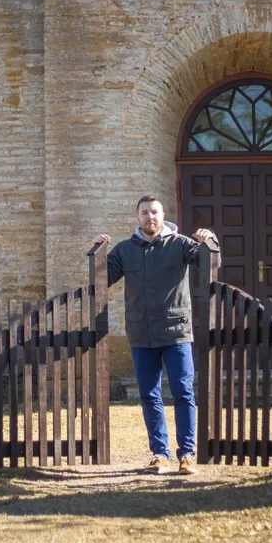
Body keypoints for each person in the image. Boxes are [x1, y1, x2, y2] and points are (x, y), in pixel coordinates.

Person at [92, 195, 216, 475]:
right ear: (137, 217)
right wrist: (98, 253)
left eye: (155, 212)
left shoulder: (182, 244)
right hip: (141, 333)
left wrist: (209, 240)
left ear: (163, 216)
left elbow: (209, 266)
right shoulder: (125, 250)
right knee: (150, 395)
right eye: (145, 212)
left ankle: (187, 454)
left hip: (177, 333)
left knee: (184, 393)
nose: (150, 217)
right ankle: (160, 454)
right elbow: (101, 280)